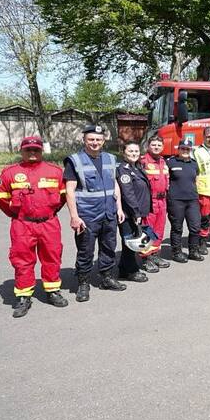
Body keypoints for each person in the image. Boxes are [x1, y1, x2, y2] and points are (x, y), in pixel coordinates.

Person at [0, 136, 68, 317]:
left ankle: (52, 291)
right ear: (22, 151)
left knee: (52, 257)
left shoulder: (56, 172)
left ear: (41, 151)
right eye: (28, 150)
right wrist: (16, 215)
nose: (32, 153)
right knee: (22, 260)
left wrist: (49, 213)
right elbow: (0, 198)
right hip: (22, 224)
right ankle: (24, 296)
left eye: (36, 150)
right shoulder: (10, 172)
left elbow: (64, 196)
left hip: (49, 223)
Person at [64, 124, 127, 302]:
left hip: (109, 212)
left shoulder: (110, 158)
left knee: (109, 247)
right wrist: (74, 216)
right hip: (87, 215)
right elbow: (70, 190)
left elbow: (115, 184)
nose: (95, 142)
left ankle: (106, 277)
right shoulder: (74, 160)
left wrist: (119, 207)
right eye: (91, 139)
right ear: (84, 140)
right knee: (85, 250)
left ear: (104, 140)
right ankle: (83, 283)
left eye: (98, 139)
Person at [115, 142, 152, 283]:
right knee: (130, 241)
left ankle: (123, 269)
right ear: (124, 152)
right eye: (130, 151)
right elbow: (128, 194)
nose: (134, 153)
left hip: (137, 212)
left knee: (129, 242)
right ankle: (132, 271)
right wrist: (136, 213)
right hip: (129, 213)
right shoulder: (123, 170)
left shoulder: (136, 168)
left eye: (136, 151)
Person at [166, 140, 203, 263]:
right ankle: (176, 252)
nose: (185, 151)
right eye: (183, 148)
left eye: (187, 149)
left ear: (190, 150)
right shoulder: (171, 162)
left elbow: (196, 179)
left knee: (195, 227)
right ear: (179, 149)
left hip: (192, 200)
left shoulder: (194, 163)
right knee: (177, 228)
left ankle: (193, 251)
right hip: (176, 200)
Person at [139, 136, 170, 269]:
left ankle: (155, 254)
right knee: (147, 230)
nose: (156, 147)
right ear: (148, 146)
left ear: (162, 147)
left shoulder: (163, 161)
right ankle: (146, 258)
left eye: (159, 145)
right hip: (149, 201)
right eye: (153, 145)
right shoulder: (142, 161)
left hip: (162, 200)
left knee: (159, 230)